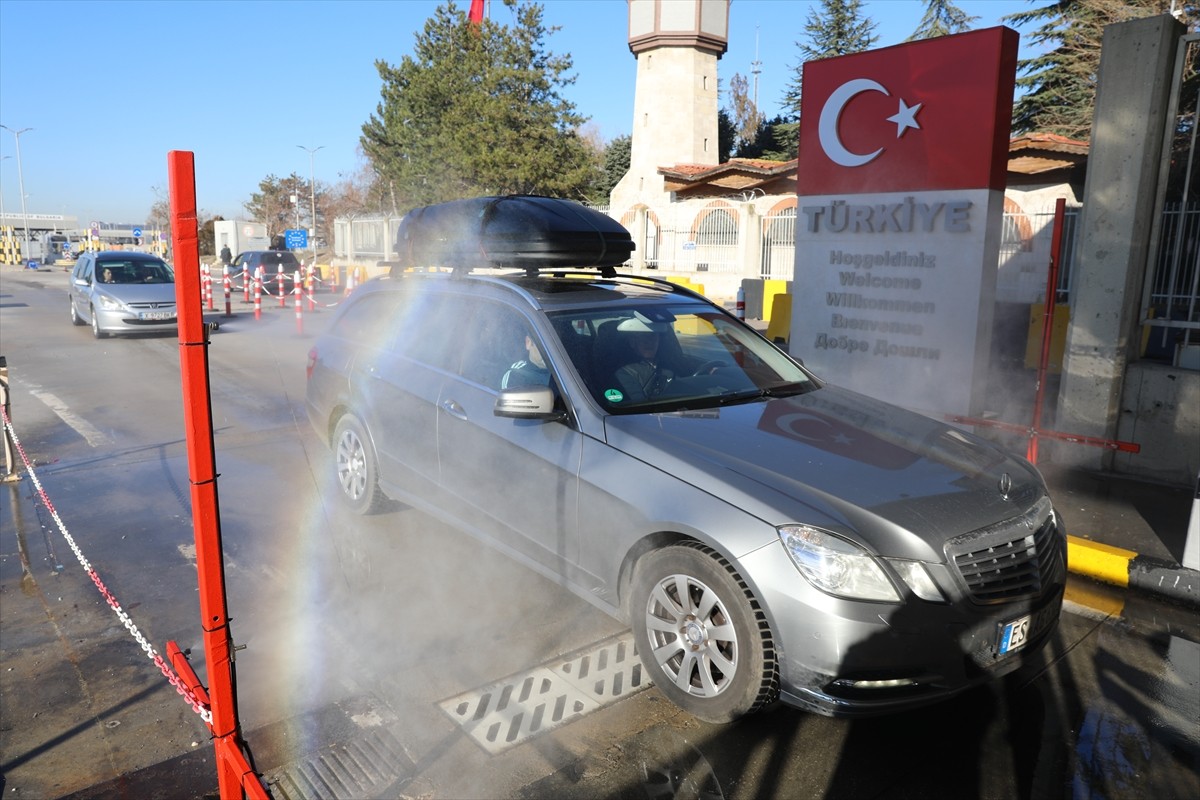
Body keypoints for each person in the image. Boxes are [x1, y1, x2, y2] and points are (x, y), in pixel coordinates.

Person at [613, 318, 674, 402]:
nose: (649, 342)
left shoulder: (671, 363)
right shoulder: (625, 372)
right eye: (643, 336)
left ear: (659, 340)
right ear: (632, 342)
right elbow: (639, 404)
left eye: (653, 336)